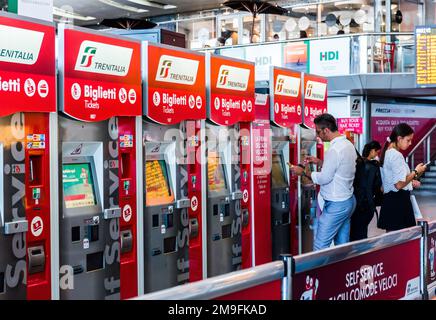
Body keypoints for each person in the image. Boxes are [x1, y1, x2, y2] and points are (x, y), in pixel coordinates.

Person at [289, 113, 357, 251]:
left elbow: (325, 178)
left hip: (336, 204)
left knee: (320, 246)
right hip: (348, 200)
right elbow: (340, 168)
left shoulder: (334, 149)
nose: (318, 136)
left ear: (326, 130)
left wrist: (302, 172)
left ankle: (317, 273)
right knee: (342, 245)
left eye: (318, 132)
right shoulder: (348, 145)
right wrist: (320, 162)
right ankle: (341, 272)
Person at [378, 123, 426, 231]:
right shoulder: (395, 155)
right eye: (408, 140)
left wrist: (411, 180)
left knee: (393, 239)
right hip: (398, 203)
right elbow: (399, 184)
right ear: (399, 138)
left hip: (391, 201)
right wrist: (415, 171)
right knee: (400, 241)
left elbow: (394, 180)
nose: (410, 143)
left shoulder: (387, 152)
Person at [350, 140, 383, 241]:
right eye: (377, 152)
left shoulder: (357, 163)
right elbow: (372, 187)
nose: (377, 154)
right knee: (361, 233)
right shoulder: (373, 166)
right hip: (366, 205)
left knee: (354, 232)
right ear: (372, 151)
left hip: (355, 203)